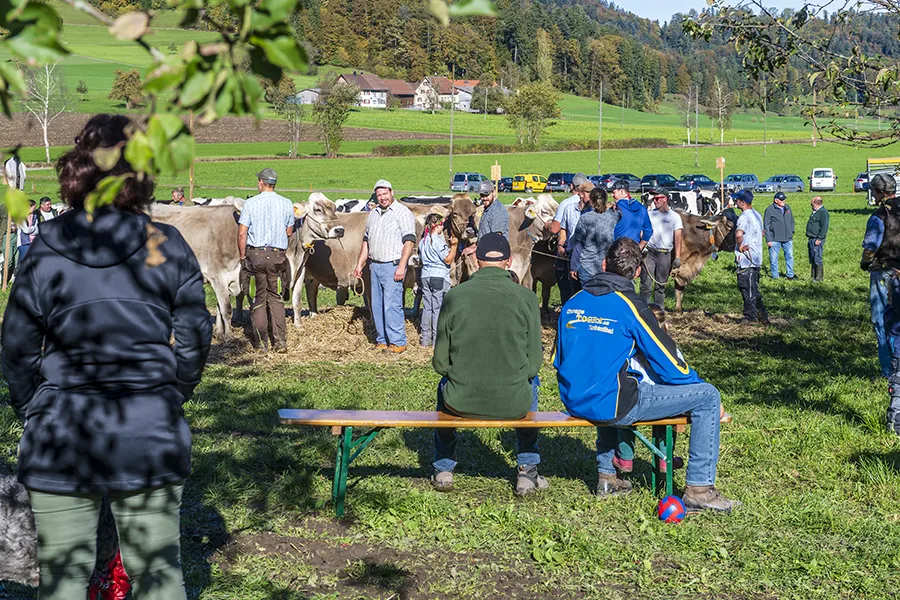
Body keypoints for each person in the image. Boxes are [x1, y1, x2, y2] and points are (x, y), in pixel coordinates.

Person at [0, 113, 212, 600]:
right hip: (148, 430)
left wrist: (35, 405)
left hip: (62, 431)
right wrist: (172, 393)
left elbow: (16, 346)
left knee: (63, 582)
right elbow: (196, 334)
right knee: (158, 579)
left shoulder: (46, 248)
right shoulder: (166, 244)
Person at [554, 237, 739, 512]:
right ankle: (700, 489)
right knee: (708, 397)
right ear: (638, 271)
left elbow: (559, 358)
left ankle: (607, 476)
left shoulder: (573, 302)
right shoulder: (631, 306)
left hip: (573, 399)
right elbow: (666, 360)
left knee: (608, 378)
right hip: (612, 403)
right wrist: (696, 382)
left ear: (604, 264)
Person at [431, 233, 546, 495]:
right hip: (514, 403)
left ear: (477, 259)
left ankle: (443, 467)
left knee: (443, 384)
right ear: (509, 261)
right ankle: (527, 470)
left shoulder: (455, 296)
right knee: (532, 382)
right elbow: (532, 366)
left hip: (459, 401)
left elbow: (440, 362)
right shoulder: (526, 298)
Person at [353, 179, 417, 353]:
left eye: (385, 194)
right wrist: (360, 264)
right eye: (379, 195)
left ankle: (398, 342)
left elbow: (409, 241)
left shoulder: (403, 213)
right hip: (375, 265)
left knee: (392, 304)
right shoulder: (373, 214)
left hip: (393, 265)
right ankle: (382, 340)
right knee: (376, 305)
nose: (382, 198)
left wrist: (402, 266)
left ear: (392, 192)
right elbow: (367, 241)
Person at [238, 167, 296, 353]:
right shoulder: (287, 203)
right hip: (278, 257)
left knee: (258, 298)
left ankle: (262, 344)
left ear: (261, 183)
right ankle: (280, 343)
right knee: (276, 298)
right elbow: (289, 231)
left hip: (256, 256)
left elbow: (242, 233)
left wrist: (242, 256)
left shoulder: (250, 204)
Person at [862, 173, 895, 378]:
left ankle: (889, 370)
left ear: (882, 193)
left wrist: (865, 262)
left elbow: (870, 248)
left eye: (874, 191)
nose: (872, 194)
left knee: (881, 318)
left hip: (884, 271)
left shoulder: (879, 216)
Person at [548, 173, 590, 304]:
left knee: (566, 285)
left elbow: (556, 228)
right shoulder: (592, 206)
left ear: (571, 186)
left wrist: (547, 225)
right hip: (589, 255)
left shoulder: (566, 204)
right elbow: (564, 229)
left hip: (573, 254)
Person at [419, 213, 458, 347]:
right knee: (437, 308)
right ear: (438, 226)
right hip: (439, 276)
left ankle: (425, 339)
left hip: (425, 276)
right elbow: (447, 259)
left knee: (427, 308)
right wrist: (454, 246)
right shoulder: (437, 241)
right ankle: (436, 340)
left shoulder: (422, 242)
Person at [640, 190, 683, 305]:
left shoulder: (675, 217)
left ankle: (659, 311)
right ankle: (644, 311)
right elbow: (642, 231)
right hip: (649, 253)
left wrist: (677, 257)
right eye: (654, 198)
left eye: (657, 198)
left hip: (664, 254)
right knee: (646, 284)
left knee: (661, 285)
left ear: (665, 199)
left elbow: (678, 237)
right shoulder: (649, 214)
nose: (655, 201)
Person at [569, 186, 619, 285]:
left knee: (588, 297)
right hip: (606, 266)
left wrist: (573, 266)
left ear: (591, 201)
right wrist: (614, 205)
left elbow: (578, 245)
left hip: (586, 266)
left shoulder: (584, 218)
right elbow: (621, 212)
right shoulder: (614, 216)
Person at [733, 190, 768, 325]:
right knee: (754, 287)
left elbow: (738, 234)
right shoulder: (757, 215)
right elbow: (762, 233)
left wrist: (740, 245)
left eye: (737, 200)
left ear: (742, 202)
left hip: (746, 259)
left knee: (746, 288)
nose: (736, 202)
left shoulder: (743, 217)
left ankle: (750, 316)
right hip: (757, 257)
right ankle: (762, 314)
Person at [763, 192, 795, 279]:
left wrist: (791, 231)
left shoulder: (787, 208)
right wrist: (768, 239)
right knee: (773, 258)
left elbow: (792, 220)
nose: (783, 201)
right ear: (776, 200)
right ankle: (775, 276)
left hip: (787, 238)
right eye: (781, 200)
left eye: (784, 199)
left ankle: (790, 275)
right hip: (774, 239)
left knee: (790, 256)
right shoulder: (769, 210)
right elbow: (766, 225)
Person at [612, 179, 653, 248]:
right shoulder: (641, 208)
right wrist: (640, 247)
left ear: (621, 191)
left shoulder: (616, 208)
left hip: (618, 249)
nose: (612, 195)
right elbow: (648, 231)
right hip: (634, 249)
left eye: (614, 192)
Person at [806, 196, 829, 282]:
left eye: (812, 204)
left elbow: (824, 227)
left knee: (817, 257)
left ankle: (819, 277)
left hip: (817, 239)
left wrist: (819, 238)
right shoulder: (815, 212)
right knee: (812, 257)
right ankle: (813, 275)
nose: (811, 205)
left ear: (816, 203)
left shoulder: (823, 212)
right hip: (811, 238)